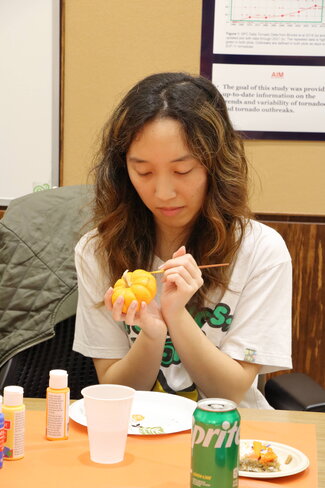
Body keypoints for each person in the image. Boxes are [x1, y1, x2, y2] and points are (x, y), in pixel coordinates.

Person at [73, 72, 292, 408]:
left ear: (215, 165)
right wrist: (152, 335)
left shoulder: (261, 250)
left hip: (229, 437)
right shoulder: (98, 251)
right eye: (143, 172)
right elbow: (117, 390)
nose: (163, 192)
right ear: (123, 170)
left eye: (183, 171)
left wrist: (177, 315)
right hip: (139, 434)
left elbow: (231, 393)